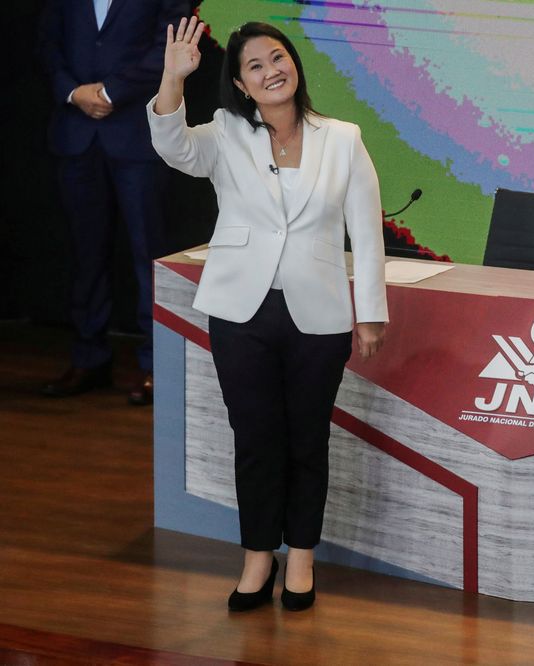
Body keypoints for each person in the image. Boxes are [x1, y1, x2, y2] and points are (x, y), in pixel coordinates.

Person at [148, 17, 388, 612]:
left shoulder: (343, 137)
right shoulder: (227, 132)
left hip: (321, 312)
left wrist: (371, 312)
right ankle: (258, 557)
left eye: (278, 58)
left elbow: (367, 231)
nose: (271, 71)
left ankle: (301, 556)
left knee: (307, 439)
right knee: (255, 438)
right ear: (241, 83)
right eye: (255, 65)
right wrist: (172, 80)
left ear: (295, 65)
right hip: (239, 309)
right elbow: (173, 148)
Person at [38, 0, 189, 405]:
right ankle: (89, 358)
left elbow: (169, 43)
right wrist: (72, 91)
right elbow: (48, 41)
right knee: (85, 255)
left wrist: (110, 91)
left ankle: (159, 365)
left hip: (137, 132)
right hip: (76, 132)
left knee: (149, 255)